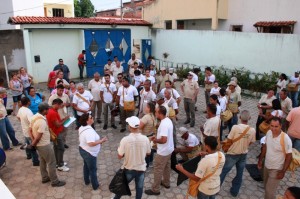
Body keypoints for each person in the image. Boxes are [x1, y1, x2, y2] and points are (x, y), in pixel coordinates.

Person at [220, 110, 255, 197]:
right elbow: (251, 142)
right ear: (249, 118)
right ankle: (234, 192)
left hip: (232, 154)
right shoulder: (252, 130)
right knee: (239, 174)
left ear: (239, 117)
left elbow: (229, 139)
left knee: (224, 171)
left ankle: (215, 188)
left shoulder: (235, 127)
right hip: (243, 155)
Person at [29, 102, 66, 187]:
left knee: (43, 161)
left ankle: (45, 177)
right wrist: (32, 145)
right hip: (44, 145)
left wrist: (33, 142)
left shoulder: (34, 117)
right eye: (48, 109)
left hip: (39, 145)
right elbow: (39, 136)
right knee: (51, 162)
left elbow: (29, 130)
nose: (49, 111)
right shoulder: (42, 121)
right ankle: (55, 181)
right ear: (44, 110)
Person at [114, 116, 151, 199]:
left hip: (129, 169)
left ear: (130, 127)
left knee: (122, 186)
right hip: (141, 169)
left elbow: (119, 156)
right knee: (139, 188)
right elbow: (148, 153)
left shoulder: (125, 140)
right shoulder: (145, 139)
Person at [258, 117, 292, 199]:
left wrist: (283, 171)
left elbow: (289, 156)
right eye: (271, 126)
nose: (273, 128)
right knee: (266, 187)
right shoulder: (269, 132)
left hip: (277, 169)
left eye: (276, 126)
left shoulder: (285, 138)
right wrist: (260, 160)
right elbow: (265, 147)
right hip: (266, 165)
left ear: (281, 126)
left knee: (270, 193)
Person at [145, 106, 174, 196]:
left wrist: (155, 140)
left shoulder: (164, 124)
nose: (155, 113)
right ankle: (166, 183)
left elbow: (164, 140)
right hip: (169, 149)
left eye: (156, 112)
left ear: (160, 113)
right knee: (167, 166)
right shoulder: (167, 120)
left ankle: (155, 189)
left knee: (158, 169)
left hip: (163, 151)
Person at [78, 113, 107, 190]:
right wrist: (101, 141)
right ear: (87, 121)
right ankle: (95, 185)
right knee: (93, 170)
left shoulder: (82, 127)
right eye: (91, 117)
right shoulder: (89, 131)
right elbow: (90, 143)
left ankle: (87, 181)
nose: (93, 118)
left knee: (86, 166)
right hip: (89, 153)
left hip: (83, 149)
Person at [46, 99, 70, 172]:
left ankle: (58, 162)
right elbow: (57, 124)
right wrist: (65, 119)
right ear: (56, 104)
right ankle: (60, 165)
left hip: (54, 132)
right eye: (60, 105)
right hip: (56, 133)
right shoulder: (52, 112)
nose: (60, 107)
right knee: (61, 148)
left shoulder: (51, 110)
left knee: (56, 148)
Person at [17, 97, 39, 166]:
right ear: (28, 102)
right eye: (29, 101)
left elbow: (18, 117)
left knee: (27, 143)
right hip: (29, 132)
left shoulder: (20, 109)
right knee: (32, 146)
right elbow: (32, 122)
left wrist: (23, 122)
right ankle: (35, 161)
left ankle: (28, 155)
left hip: (24, 130)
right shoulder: (28, 111)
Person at [48, 84, 71, 148]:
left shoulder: (65, 96)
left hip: (64, 116)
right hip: (56, 117)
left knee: (65, 131)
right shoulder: (52, 97)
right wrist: (58, 106)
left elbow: (69, 104)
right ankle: (57, 144)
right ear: (56, 90)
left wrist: (66, 104)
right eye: (60, 90)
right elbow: (49, 107)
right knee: (58, 132)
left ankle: (63, 143)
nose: (61, 92)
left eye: (62, 90)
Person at [139, 102, 156, 167]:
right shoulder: (154, 115)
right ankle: (150, 161)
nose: (145, 108)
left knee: (146, 151)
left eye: (146, 106)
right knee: (150, 149)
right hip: (151, 135)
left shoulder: (146, 117)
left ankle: (146, 164)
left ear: (149, 108)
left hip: (146, 136)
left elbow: (140, 127)